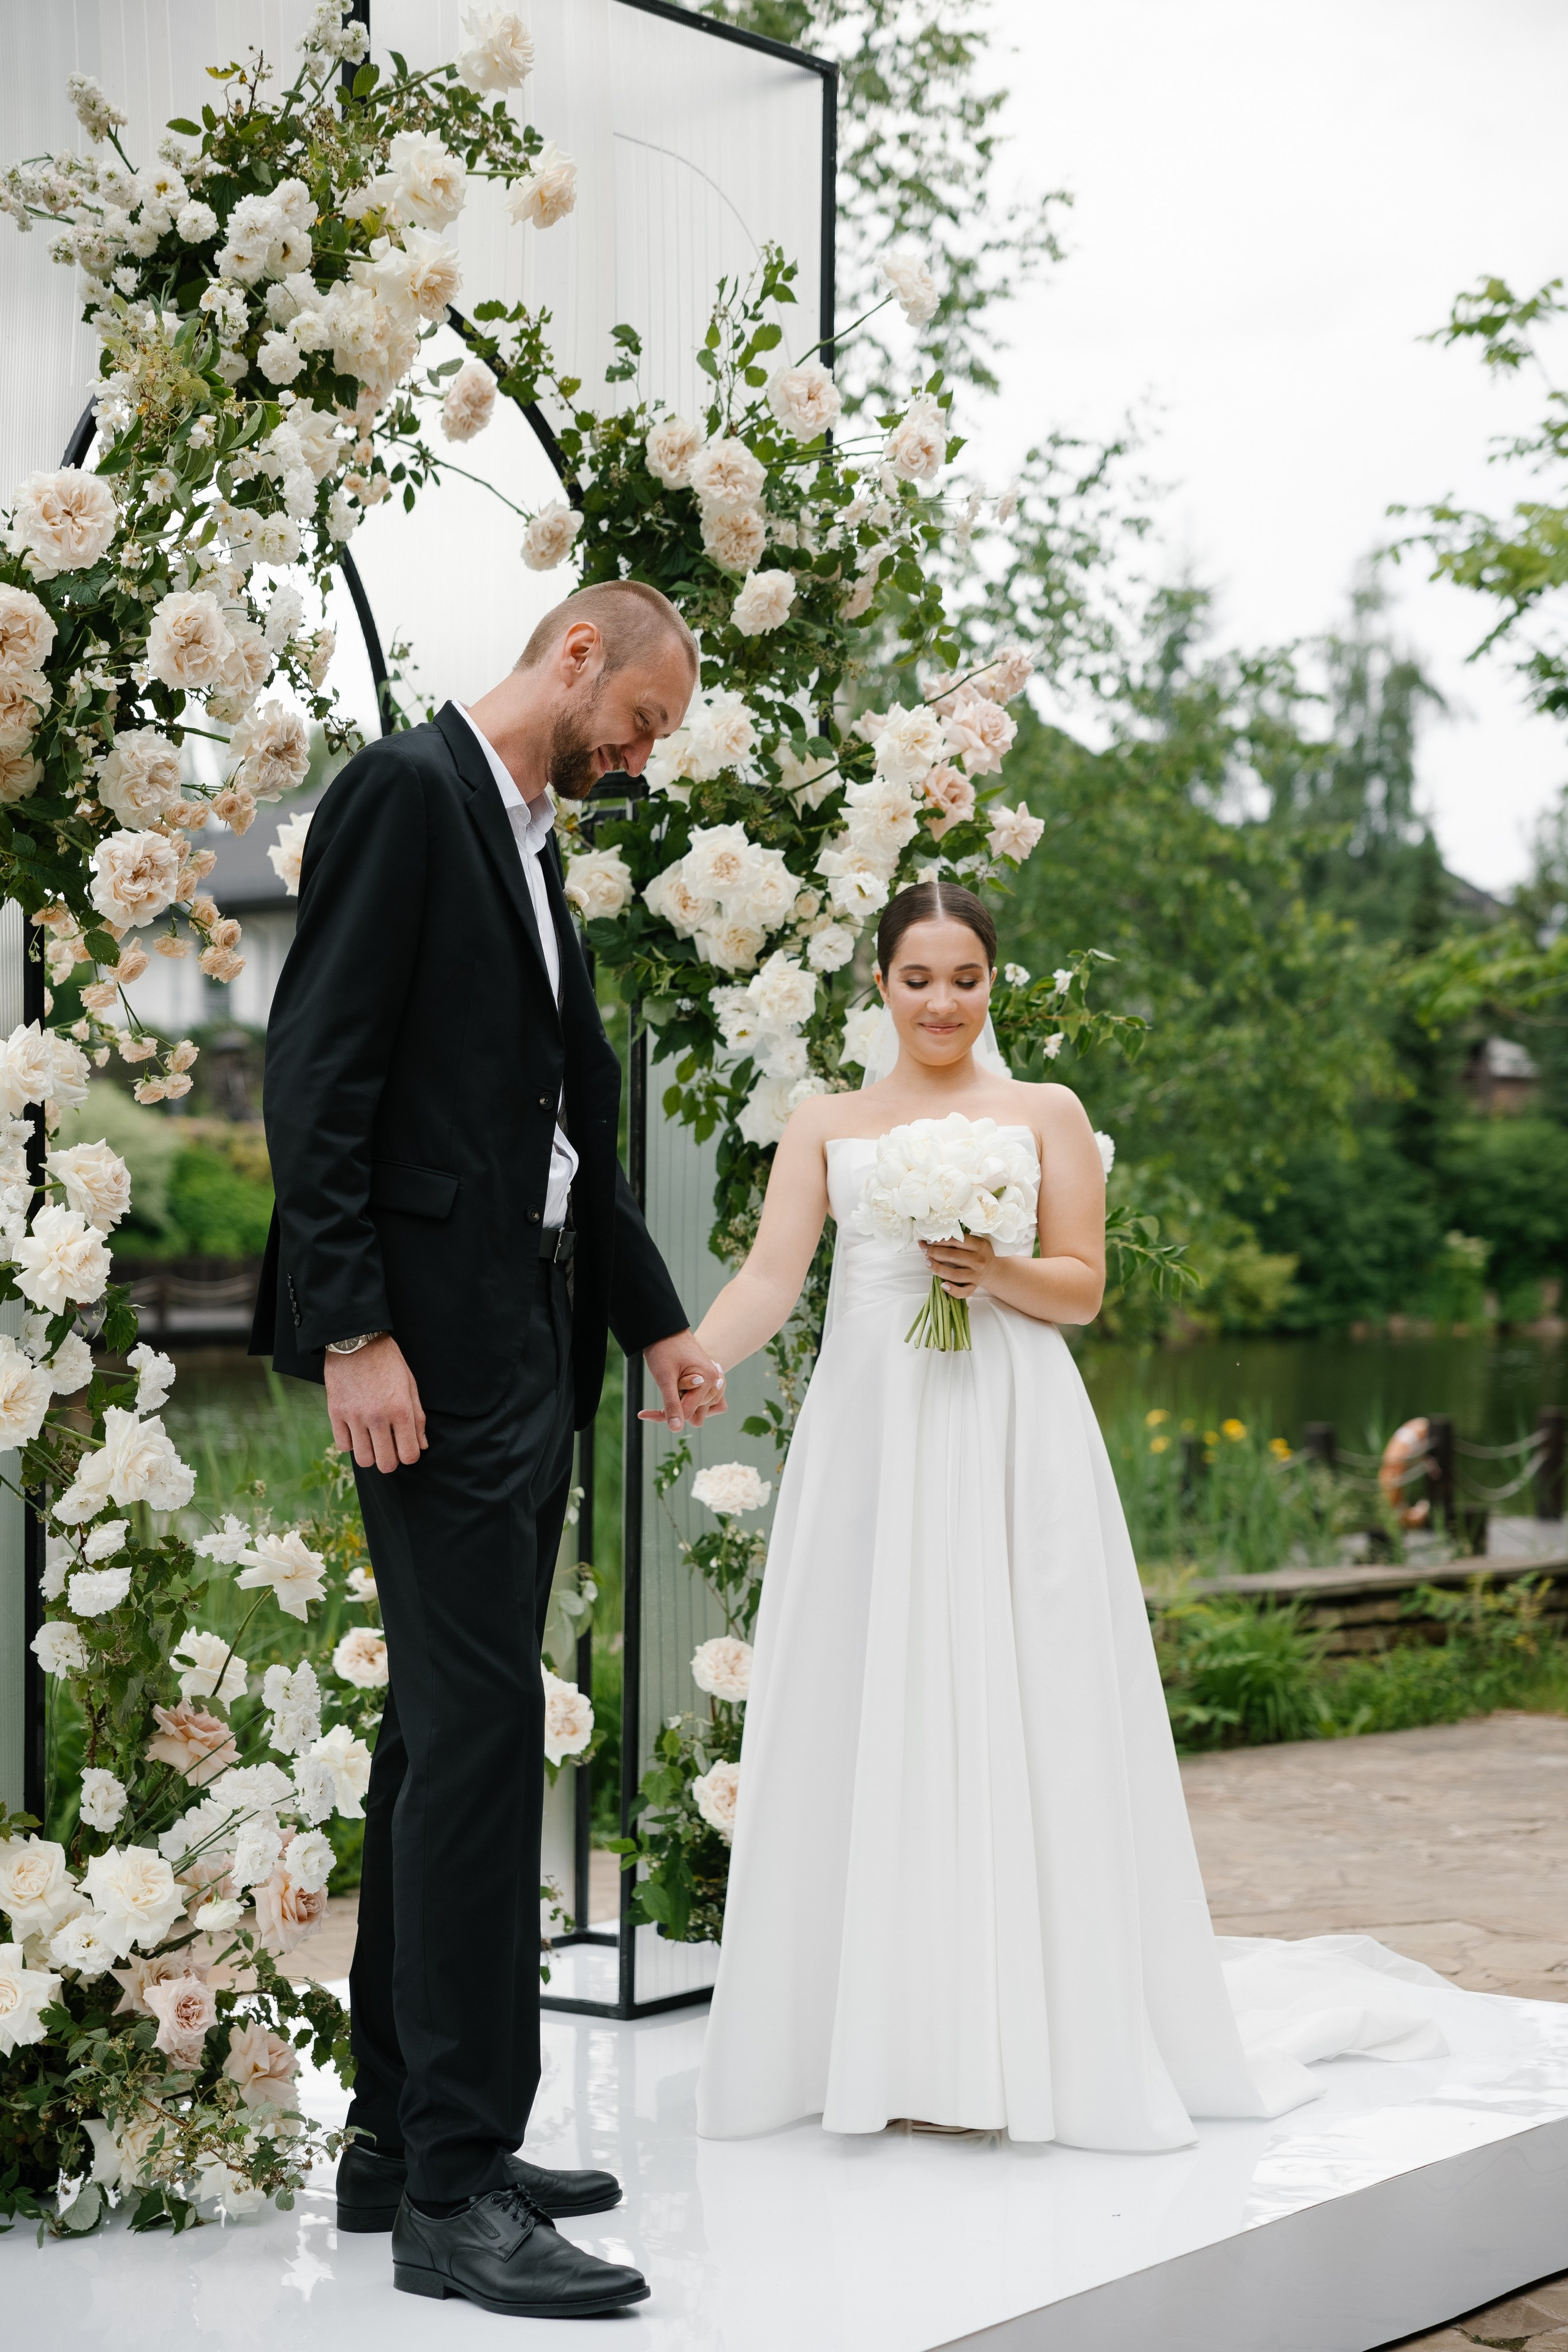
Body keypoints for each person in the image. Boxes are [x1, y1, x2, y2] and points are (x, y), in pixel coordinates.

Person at [688, 880, 1444, 2144]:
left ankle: (1031, 2036)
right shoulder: (825, 1121)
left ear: (993, 982)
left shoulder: (1045, 1110)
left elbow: (1083, 1289)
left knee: (1022, 1689)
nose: (941, 1002)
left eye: (965, 978)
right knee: (865, 1695)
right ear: (879, 983)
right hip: (871, 1432)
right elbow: (771, 1278)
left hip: (1009, 1425)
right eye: (918, 978)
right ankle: (874, 2041)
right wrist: (697, 1360)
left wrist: (991, 1271)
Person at [252, 580, 725, 2317]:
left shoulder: (533, 850)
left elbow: (570, 1123)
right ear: (579, 654)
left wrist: (654, 1319)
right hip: (426, 1354)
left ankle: (399, 2144)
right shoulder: (406, 791)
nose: (643, 757)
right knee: (481, 1738)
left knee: (442, 1737)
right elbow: (315, 1072)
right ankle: (460, 2192)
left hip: (530, 1338)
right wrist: (353, 1329)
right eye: (646, 721)